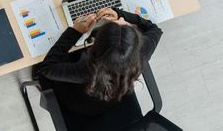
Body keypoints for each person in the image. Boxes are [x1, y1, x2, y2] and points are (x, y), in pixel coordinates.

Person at [35, 8, 163, 121]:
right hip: (114, 96)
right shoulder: (143, 51)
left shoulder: (86, 71)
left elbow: (46, 68)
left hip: (80, 105)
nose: (122, 20)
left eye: (122, 23)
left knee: (44, 69)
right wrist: (118, 14)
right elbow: (155, 29)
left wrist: (75, 31)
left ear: (96, 45)